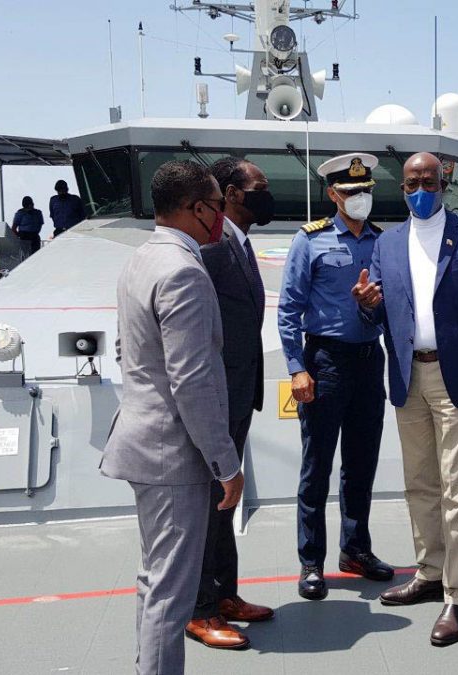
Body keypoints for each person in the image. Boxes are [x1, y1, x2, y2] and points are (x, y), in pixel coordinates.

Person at [353, 151, 458, 647]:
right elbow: (381, 315)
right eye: (412, 182)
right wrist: (366, 306)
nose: (420, 188)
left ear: (444, 183)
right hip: (407, 375)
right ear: (402, 189)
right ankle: (430, 571)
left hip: (454, 374)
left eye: (429, 180)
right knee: (419, 483)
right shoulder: (387, 242)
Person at [100, 160, 244, 675]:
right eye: (219, 207)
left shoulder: (141, 258)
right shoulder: (184, 270)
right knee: (171, 596)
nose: (223, 219)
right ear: (198, 208)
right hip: (172, 455)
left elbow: (126, 347)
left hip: (141, 443)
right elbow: (192, 381)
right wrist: (226, 464)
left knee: (153, 580)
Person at [277, 152, 395, 601]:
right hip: (324, 361)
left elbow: (391, 309)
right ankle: (311, 562)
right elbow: (289, 309)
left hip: (369, 360)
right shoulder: (311, 241)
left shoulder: (383, 244)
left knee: (361, 462)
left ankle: (355, 550)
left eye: (365, 192)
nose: (359, 199)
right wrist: (296, 368)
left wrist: (372, 306)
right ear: (333, 195)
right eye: (350, 192)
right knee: (317, 465)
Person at [185, 156, 275, 651]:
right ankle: (198, 611)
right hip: (218, 396)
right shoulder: (213, 250)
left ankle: (225, 596)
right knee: (208, 503)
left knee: (224, 504)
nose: (266, 193)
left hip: (239, 393)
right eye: (258, 186)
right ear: (232, 193)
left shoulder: (237, 243)